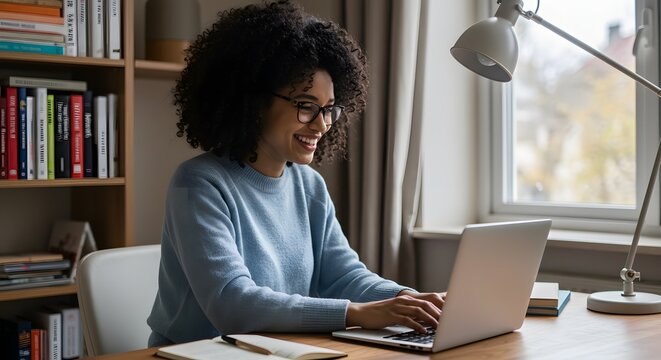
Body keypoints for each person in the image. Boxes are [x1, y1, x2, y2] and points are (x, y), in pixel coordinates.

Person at [147, 0, 444, 346]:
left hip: (273, 352)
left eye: (329, 109)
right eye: (306, 106)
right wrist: (356, 313)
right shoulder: (199, 183)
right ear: (254, 101)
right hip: (195, 355)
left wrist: (412, 301)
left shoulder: (309, 186)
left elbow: (344, 276)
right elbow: (232, 304)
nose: (322, 124)